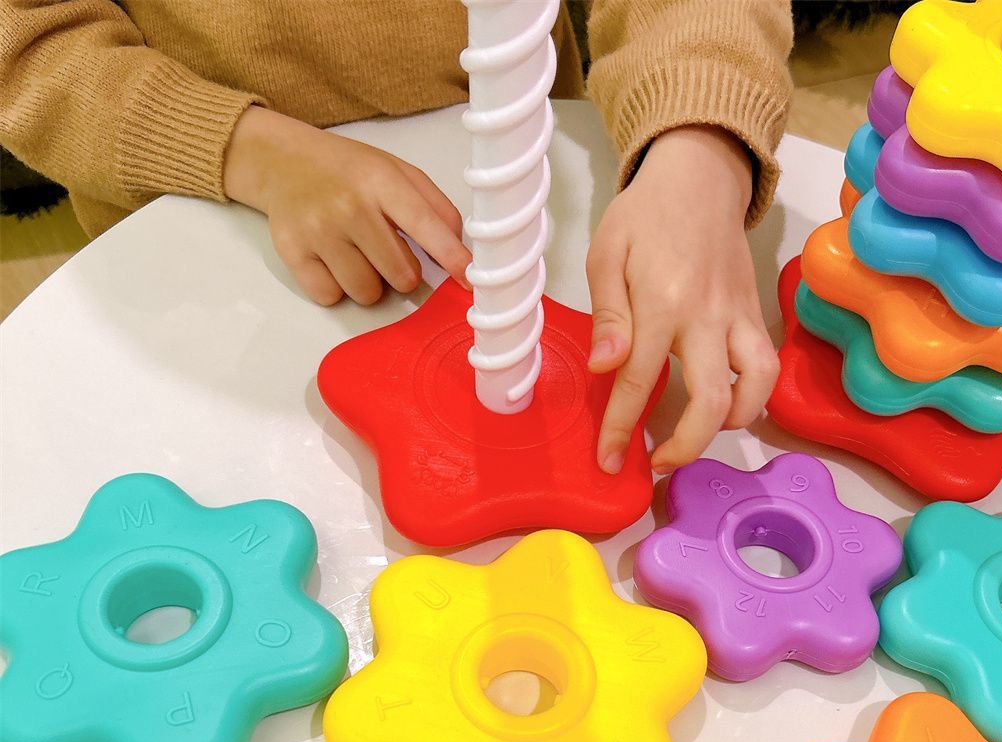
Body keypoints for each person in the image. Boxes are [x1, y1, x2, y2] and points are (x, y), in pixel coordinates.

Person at [1, 1, 793, 473]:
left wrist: (699, 145)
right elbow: (27, 39)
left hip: (539, 191)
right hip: (204, 242)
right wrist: (244, 148)